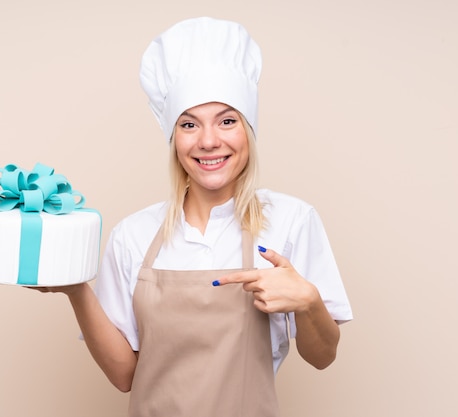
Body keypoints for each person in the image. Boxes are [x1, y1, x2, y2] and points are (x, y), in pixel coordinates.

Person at [39, 16, 352, 417]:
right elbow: (124, 376)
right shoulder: (133, 235)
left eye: (226, 120)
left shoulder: (291, 221)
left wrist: (308, 301)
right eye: (189, 124)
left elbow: (322, 356)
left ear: (248, 130)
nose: (208, 141)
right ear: (174, 138)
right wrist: (76, 291)